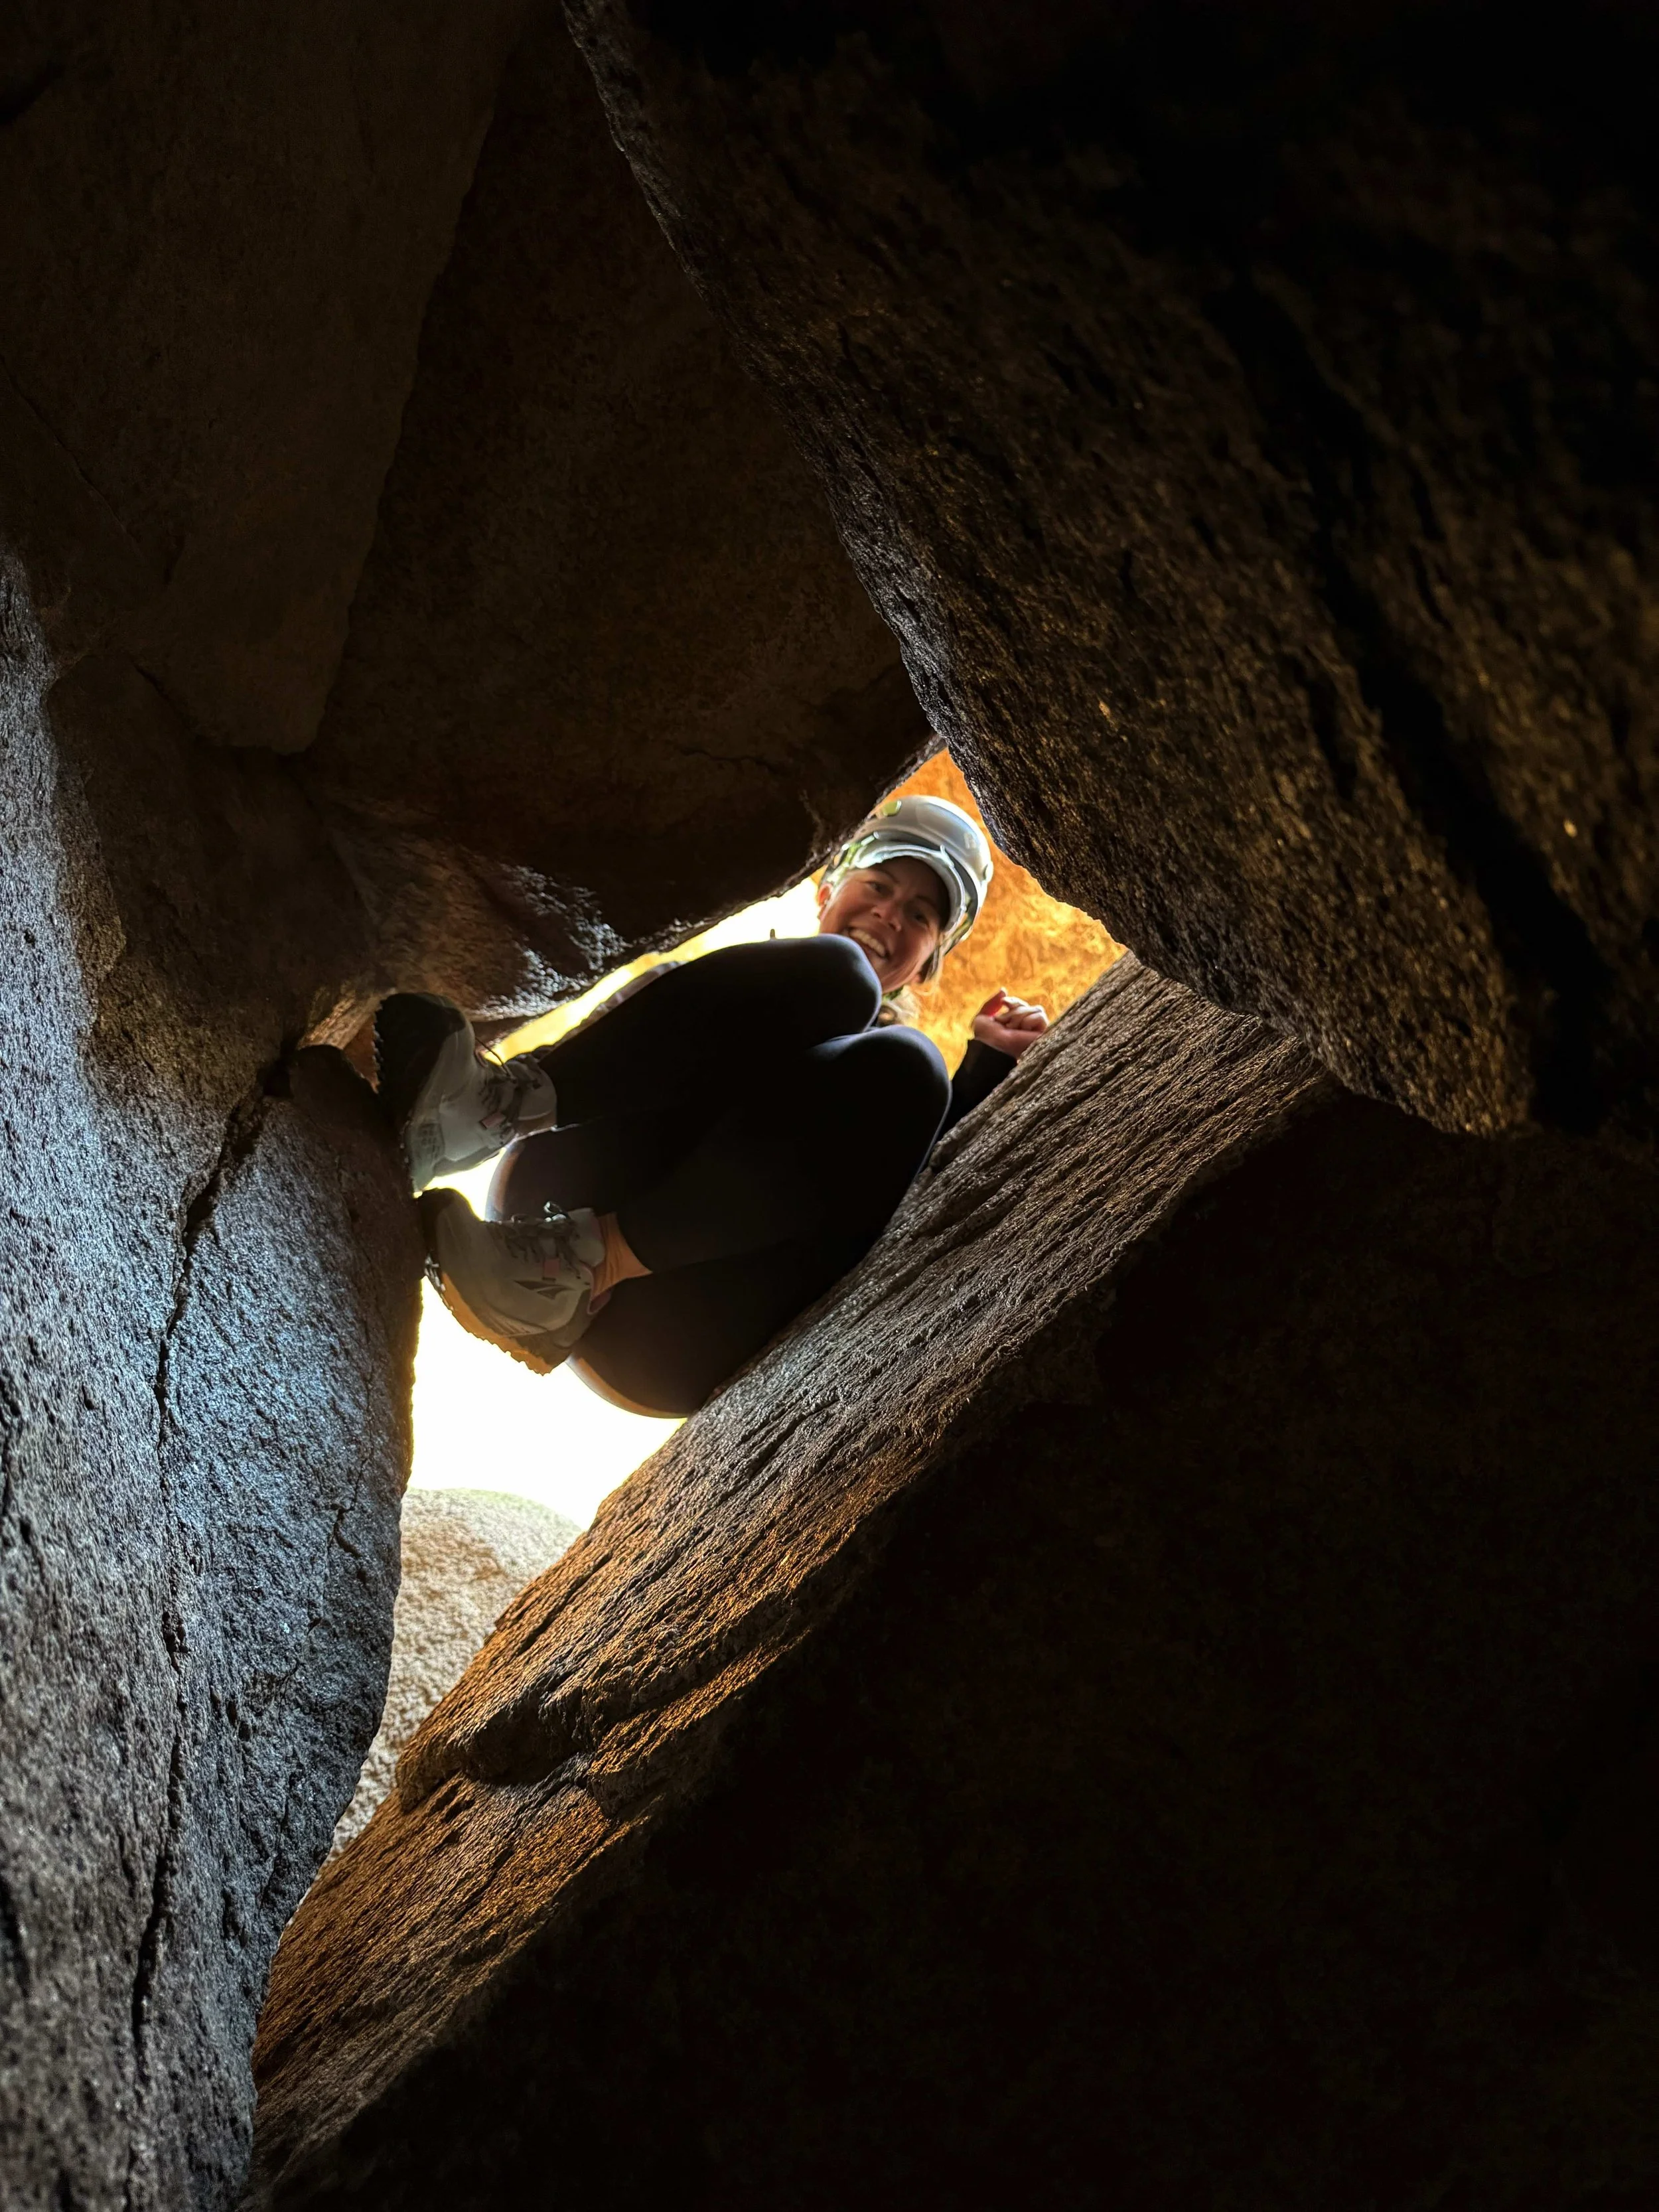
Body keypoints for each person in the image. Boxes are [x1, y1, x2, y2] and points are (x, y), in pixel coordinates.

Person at [377, 795, 1049, 1416]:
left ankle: (585, 1263)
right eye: (878, 886)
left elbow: (906, 1200)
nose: (891, 915)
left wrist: (984, 1071)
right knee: (839, 976)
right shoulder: (726, 993)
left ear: (929, 960)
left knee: (908, 1067)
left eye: (922, 915)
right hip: (562, 1185)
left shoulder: (891, 1084)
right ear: (826, 889)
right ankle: (487, 1112)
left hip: (679, 1329)